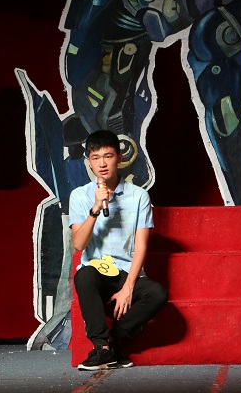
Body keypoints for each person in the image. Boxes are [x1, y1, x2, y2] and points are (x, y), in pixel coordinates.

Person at [70, 130, 168, 371]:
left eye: (108, 156)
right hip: (97, 272)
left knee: (157, 293)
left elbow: (141, 246)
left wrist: (128, 287)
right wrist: (95, 209)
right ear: (89, 161)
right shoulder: (80, 195)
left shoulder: (139, 196)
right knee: (84, 275)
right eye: (95, 158)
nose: (102, 163)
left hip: (126, 272)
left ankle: (114, 342)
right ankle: (101, 347)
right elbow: (79, 244)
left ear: (119, 157)